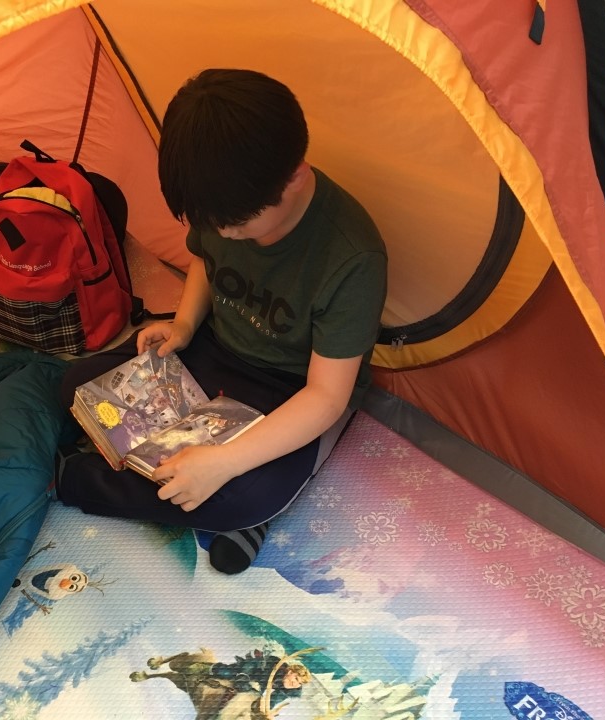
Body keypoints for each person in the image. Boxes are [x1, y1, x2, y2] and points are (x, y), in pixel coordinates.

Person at [55, 68, 387, 574]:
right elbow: (204, 263)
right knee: (75, 386)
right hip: (213, 348)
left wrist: (226, 461)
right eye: (211, 224)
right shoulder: (220, 204)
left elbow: (326, 397)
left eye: (237, 226)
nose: (224, 235)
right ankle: (203, 495)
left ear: (294, 177)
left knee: (247, 494)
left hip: (289, 392)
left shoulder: (352, 257)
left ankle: (74, 479)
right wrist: (184, 325)